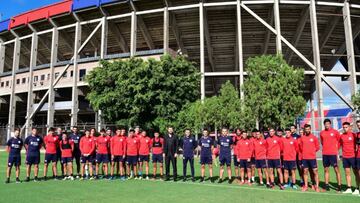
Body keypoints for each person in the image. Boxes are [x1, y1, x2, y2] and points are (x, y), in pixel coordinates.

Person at [320, 119, 342, 192]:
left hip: (333, 154)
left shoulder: (335, 132)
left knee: (336, 170)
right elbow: (322, 142)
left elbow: (340, 141)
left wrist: (336, 149)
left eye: (328, 124)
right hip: (325, 154)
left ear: (330, 124)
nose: (327, 125)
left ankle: (339, 187)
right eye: (325, 124)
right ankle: (326, 186)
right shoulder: (322, 133)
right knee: (326, 170)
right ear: (324, 125)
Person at [299, 124, 320, 192]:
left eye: (308, 129)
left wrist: (312, 152)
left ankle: (316, 187)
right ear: (304, 130)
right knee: (305, 172)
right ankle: (306, 186)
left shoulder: (314, 137)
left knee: (315, 172)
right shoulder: (302, 138)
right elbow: (301, 148)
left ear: (310, 129)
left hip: (312, 158)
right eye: (306, 129)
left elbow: (317, 147)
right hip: (305, 158)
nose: (307, 130)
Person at [340, 122, 357, 194]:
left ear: (349, 127)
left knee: (356, 173)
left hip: (353, 156)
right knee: (347, 173)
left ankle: (357, 188)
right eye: (344, 127)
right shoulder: (342, 136)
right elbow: (340, 145)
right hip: (345, 157)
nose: (345, 128)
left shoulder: (354, 135)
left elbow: (357, 145)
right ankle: (349, 188)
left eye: (346, 127)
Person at [354, 120, 360, 196]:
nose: (359, 126)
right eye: (358, 125)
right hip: (358, 156)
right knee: (358, 173)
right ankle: (357, 188)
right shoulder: (357, 134)